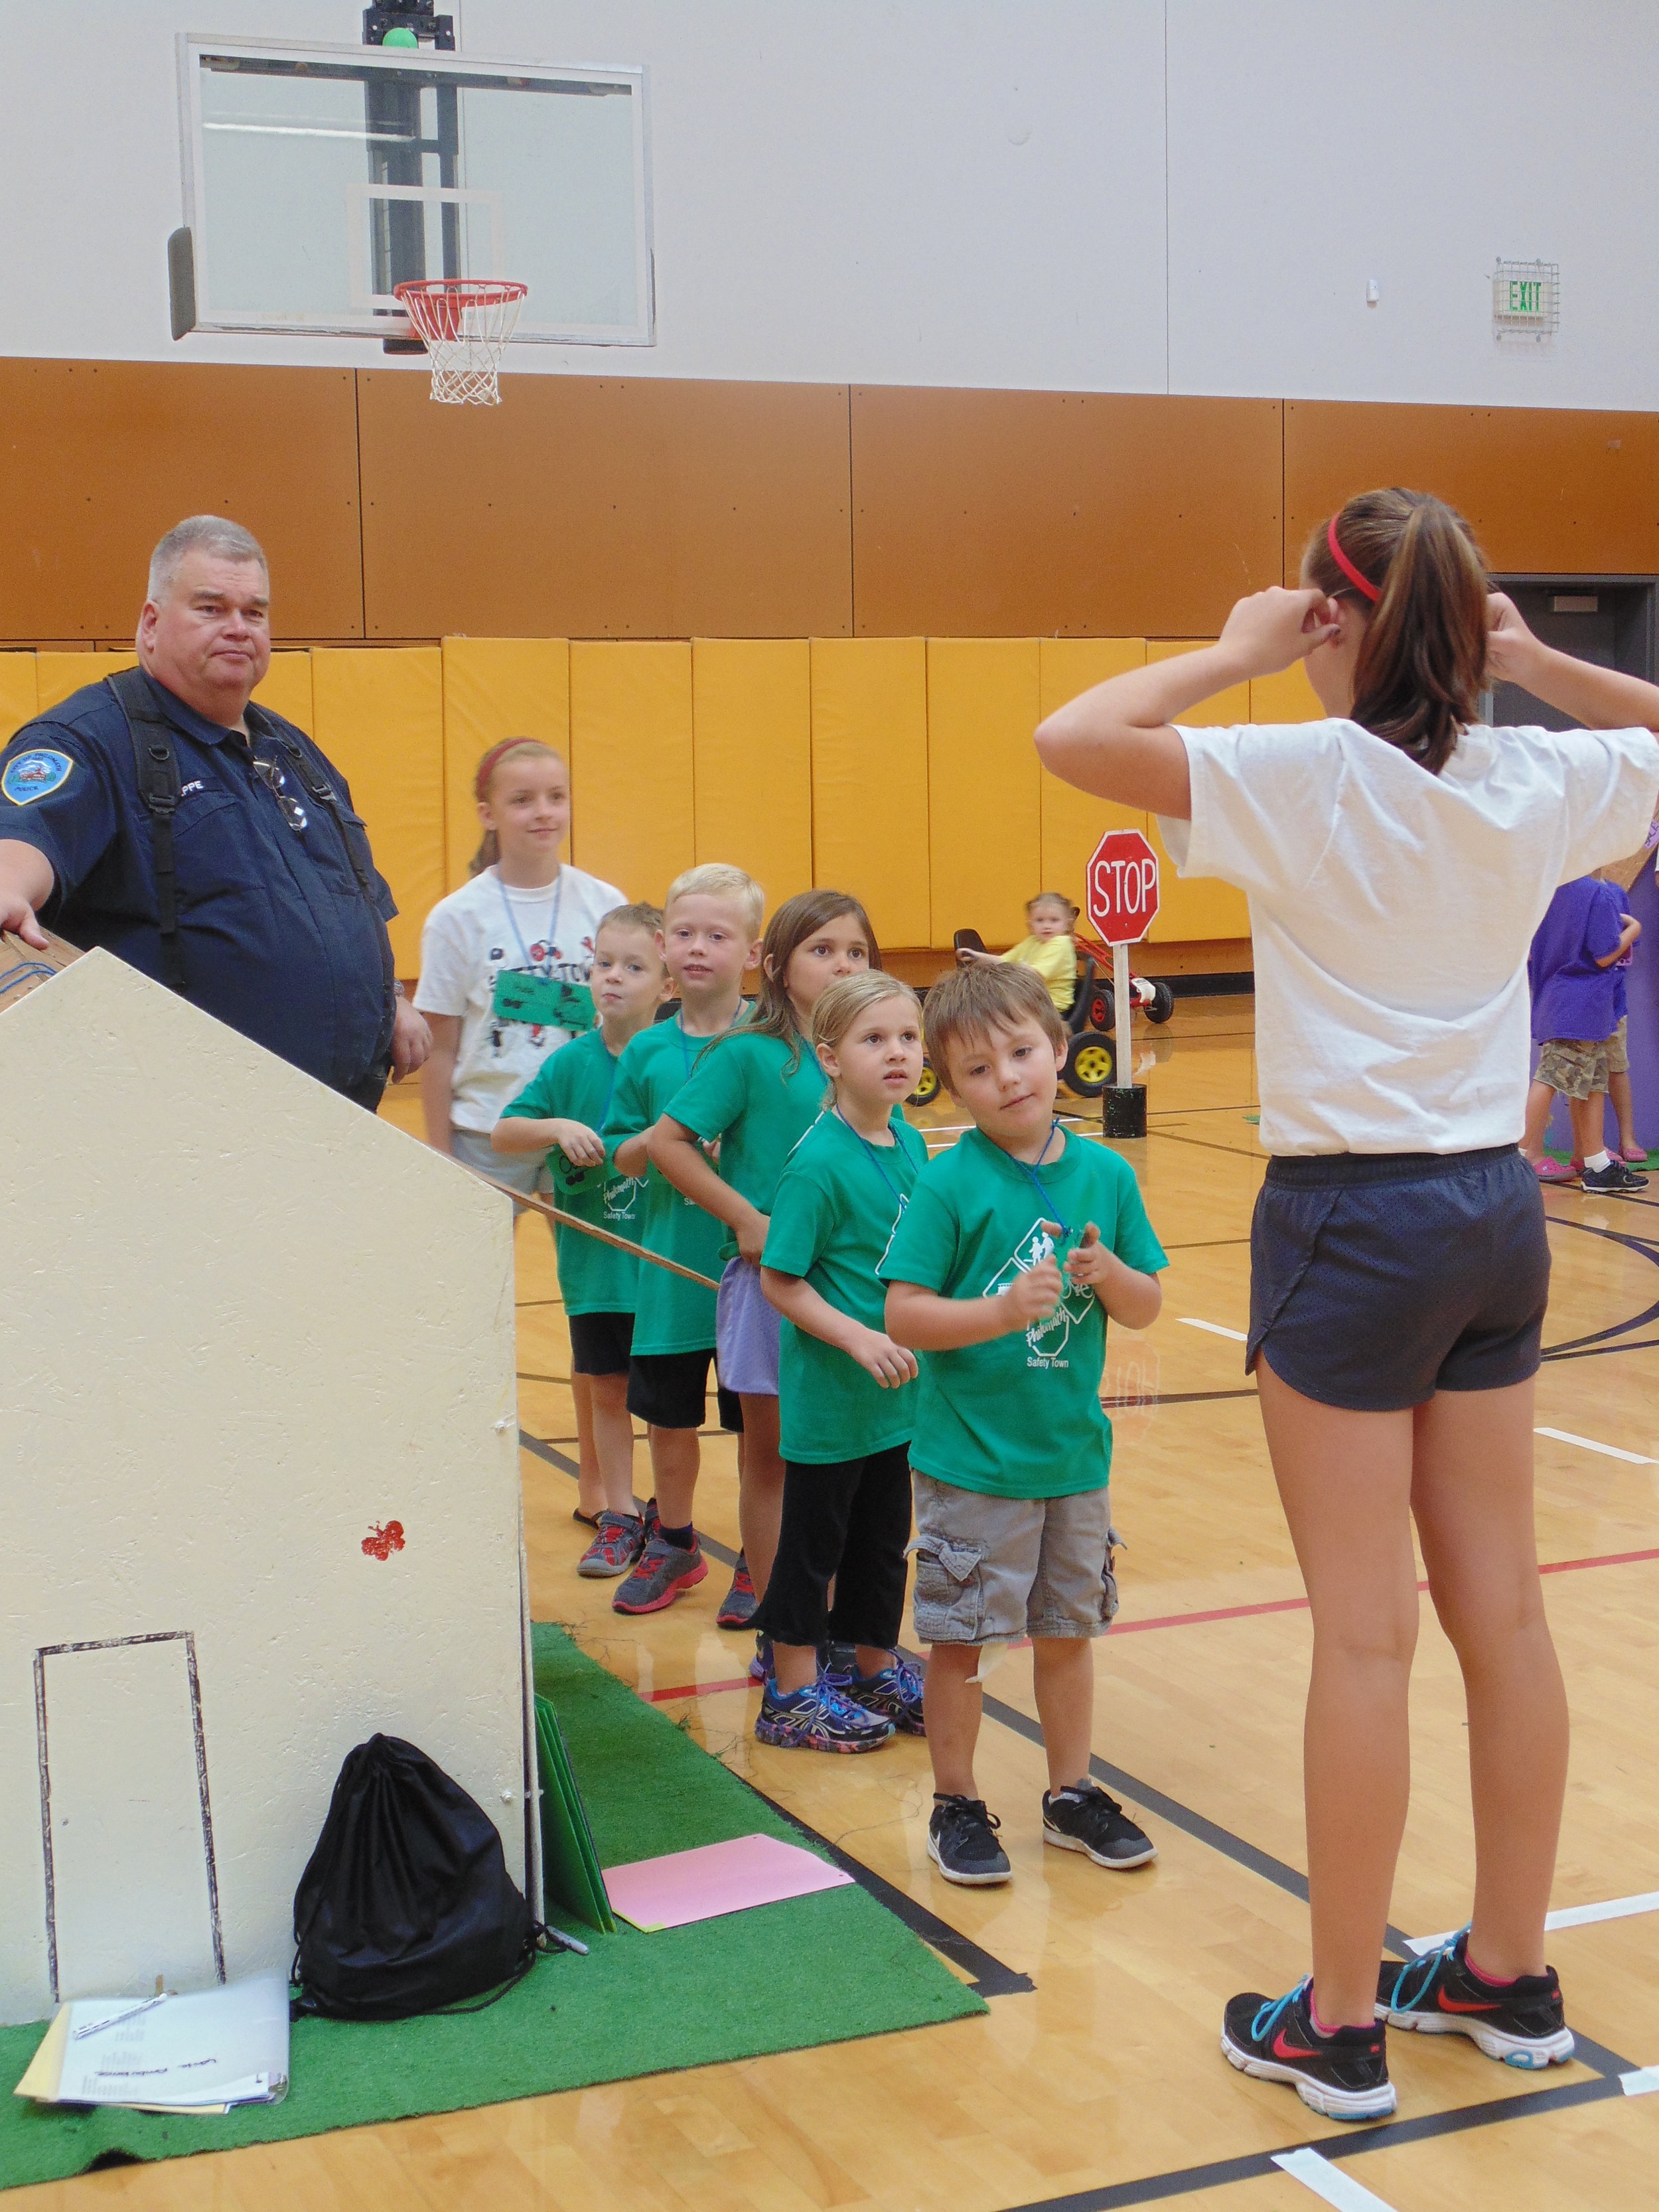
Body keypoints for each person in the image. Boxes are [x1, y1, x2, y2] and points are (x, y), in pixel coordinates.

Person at [1034, 486, 1659, 2122]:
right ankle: (1507, 1971)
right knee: (1503, 1612)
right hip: (1488, 1215)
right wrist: (1542, 665)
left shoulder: (1290, 768)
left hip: (1351, 1221)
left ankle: (1338, 2022)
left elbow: (1073, 733)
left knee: (1365, 1635)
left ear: (1330, 616)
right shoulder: (1540, 772)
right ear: (1470, 625)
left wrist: (1227, 654)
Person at [880, 962, 1166, 1887]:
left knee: (1067, 1630)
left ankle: (1071, 1792)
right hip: (972, 1460)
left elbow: (1147, 1303)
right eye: (978, 1068)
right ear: (950, 1084)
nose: (1007, 1077)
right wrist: (1000, 1312)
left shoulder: (1107, 1172)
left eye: (1022, 1052)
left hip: (1073, 1457)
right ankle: (956, 1803)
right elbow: (905, 1315)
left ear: (1055, 1048)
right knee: (962, 1637)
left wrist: (1108, 1275)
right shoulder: (948, 1183)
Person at [0, 515, 428, 1105]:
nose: (237, 628)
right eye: (210, 608)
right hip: (186, 1127)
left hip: (341, 1125)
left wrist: (393, 1001)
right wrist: (8, 883)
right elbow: (26, 838)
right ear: (151, 623)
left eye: (254, 612)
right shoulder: (93, 740)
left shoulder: (298, 754)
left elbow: (347, 899)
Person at [650, 891, 877, 1623]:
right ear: (776, 967)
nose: (841, 965)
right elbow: (667, 1142)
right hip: (773, 1288)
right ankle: (786, 1630)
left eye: (856, 952)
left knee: (854, 1465)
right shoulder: (749, 1055)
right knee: (774, 1460)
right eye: (822, 950)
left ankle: (841, 1631)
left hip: (854, 1290)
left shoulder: (872, 1054)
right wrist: (745, 1217)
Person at [753, 972, 930, 1751]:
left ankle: (871, 1665)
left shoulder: (914, 1141)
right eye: (873, 1040)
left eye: (907, 1037)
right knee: (813, 1547)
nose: (896, 1054)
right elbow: (778, 1280)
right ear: (828, 1056)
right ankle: (790, 1692)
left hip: (896, 1400)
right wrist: (857, 1338)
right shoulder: (817, 1163)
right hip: (834, 1396)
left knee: (883, 1540)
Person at [602, 863, 763, 1618]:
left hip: (754, 1270)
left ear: (754, 954)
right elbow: (620, 1152)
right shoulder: (645, 1053)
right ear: (665, 945)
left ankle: (759, 1561)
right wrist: (666, 1141)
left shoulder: (772, 1044)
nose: (699, 948)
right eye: (687, 934)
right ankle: (675, 1543)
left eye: (719, 935)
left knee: (755, 1425)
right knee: (667, 1418)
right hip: (669, 1270)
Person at [492, 904, 669, 1563]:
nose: (612, 979)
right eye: (602, 965)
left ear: (667, 983)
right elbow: (507, 1130)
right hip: (597, 1269)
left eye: (633, 966)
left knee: (663, 1401)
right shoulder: (570, 1066)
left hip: (662, 1267)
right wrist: (555, 1129)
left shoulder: (679, 1061)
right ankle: (618, 1512)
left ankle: (670, 1519)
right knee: (606, 1388)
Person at [415, 740, 624, 1200]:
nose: (544, 812)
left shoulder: (606, 905)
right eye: (522, 800)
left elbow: (629, 1027)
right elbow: (440, 1049)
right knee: (477, 1271)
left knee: (586, 1270)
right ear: (488, 814)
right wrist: (439, 1154)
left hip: (584, 1128)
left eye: (556, 796)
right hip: (485, 1132)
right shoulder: (456, 918)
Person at [1519, 875, 1643, 1191]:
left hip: (1556, 999)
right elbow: (1604, 955)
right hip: (1583, 1004)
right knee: (1550, 1078)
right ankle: (1517, 1158)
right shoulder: (1597, 894)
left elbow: (1533, 951)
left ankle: (1597, 1164)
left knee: (1592, 1081)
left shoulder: (1547, 890)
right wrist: (1633, 930)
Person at [958, 892, 1079, 1011]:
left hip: (1051, 1007)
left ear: (1067, 924)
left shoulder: (1061, 944)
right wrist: (976, 957)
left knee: (996, 1007)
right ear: (1031, 924)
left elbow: (1035, 975)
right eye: (1040, 920)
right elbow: (1003, 961)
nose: (1047, 926)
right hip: (1032, 1000)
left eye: (1054, 920)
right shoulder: (1033, 941)